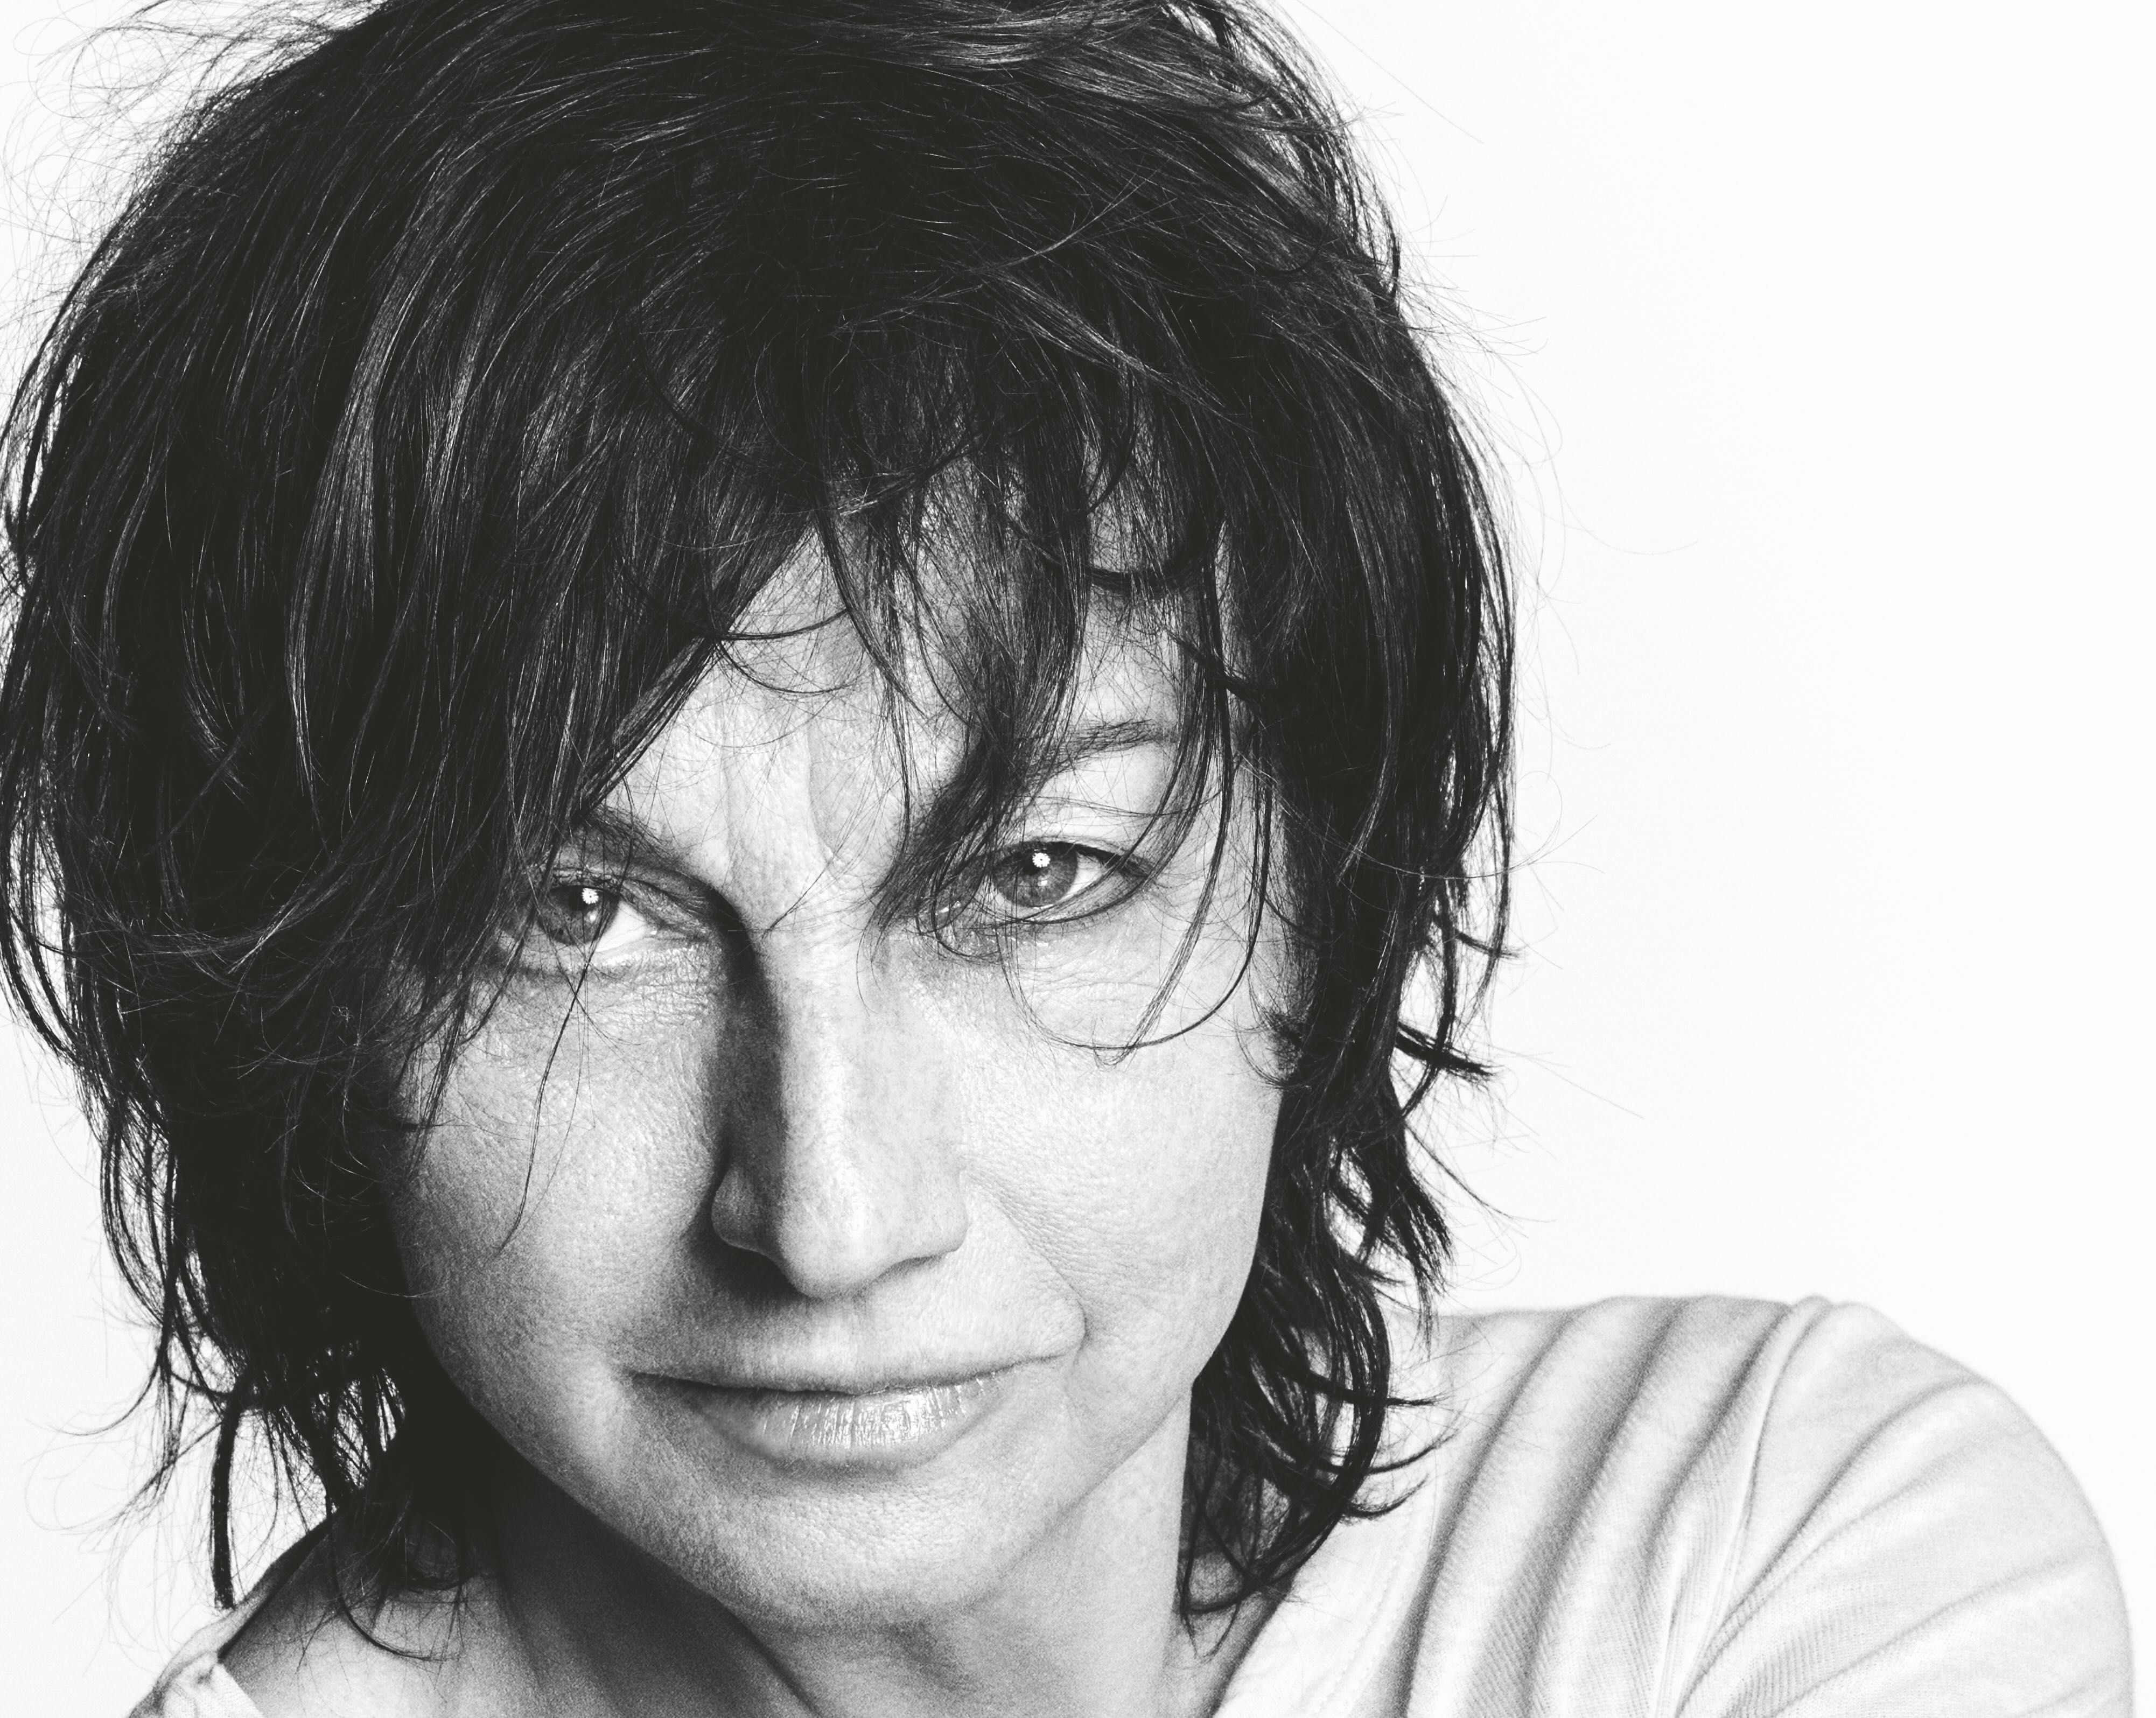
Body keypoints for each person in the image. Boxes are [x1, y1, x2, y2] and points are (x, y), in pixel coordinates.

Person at [0, 1, 2129, 1713]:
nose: (832, 1219)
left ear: (1326, 908)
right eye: (570, 913)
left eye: (1036, 876)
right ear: (292, 1013)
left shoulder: (1758, 1548)